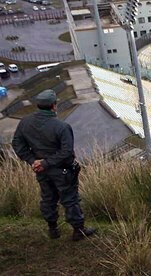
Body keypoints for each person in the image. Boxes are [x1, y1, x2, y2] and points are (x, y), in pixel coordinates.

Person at [11, 89, 96, 241]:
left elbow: (17, 144)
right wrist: (46, 162)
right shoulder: (61, 127)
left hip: (41, 170)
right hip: (61, 170)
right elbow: (67, 152)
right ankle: (78, 230)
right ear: (54, 106)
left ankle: (53, 229)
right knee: (70, 199)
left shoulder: (25, 122)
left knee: (48, 198)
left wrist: (33, 161)